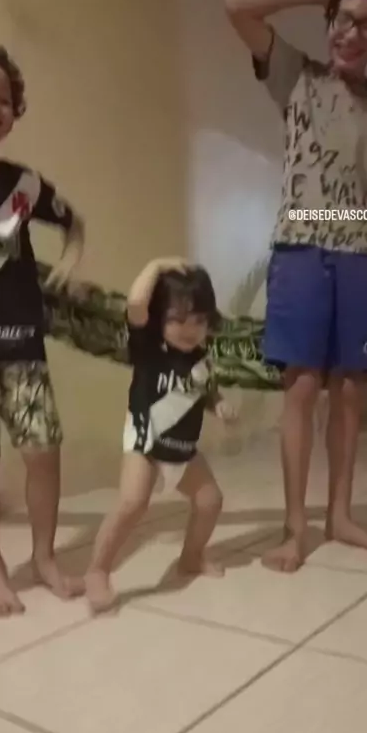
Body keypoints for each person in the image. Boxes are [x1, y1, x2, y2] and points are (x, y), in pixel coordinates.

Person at [225, 0, 367, 571]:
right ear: (329, 20)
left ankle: (341, 515)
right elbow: (236, 4)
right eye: (343, 19)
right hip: (300, 248)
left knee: (349, 393)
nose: (351, 34)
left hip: (361, 256)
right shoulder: (295, 75)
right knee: (300, 389)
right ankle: (294, 528)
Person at [0, 43, 85, 616]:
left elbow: (74, 224)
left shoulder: (25, 186)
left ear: (15, 112)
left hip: (24, 347)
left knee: (43, 453)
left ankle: (43, 557)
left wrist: (70, 261)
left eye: (3, 96)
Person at [85, 258, 236, 613]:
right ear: (157, 319)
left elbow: (204, 391)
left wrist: (219, 404)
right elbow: (137, 302)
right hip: (146, 444)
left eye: (198, 320)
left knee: (210, 501)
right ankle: (98, 570)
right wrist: (158, 265)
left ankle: (191, 557)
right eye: (177, 319)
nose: (189, 329)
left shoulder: (202, 358)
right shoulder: (149, 347)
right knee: (132, 502)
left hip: (183, 451)